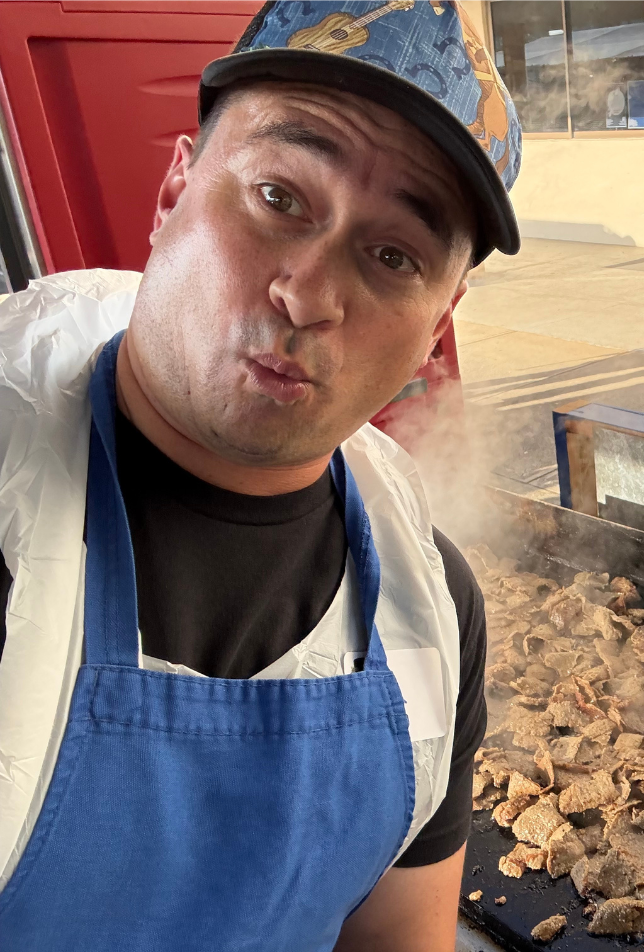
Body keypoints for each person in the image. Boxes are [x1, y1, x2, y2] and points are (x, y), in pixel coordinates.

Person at [0, 3, 521, 949]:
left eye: (393, 255)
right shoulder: (9, 521)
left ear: (437, 319)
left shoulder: (431, 605)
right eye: (280, 198)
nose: (310, 294)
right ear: (173, 194)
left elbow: (398, 936)